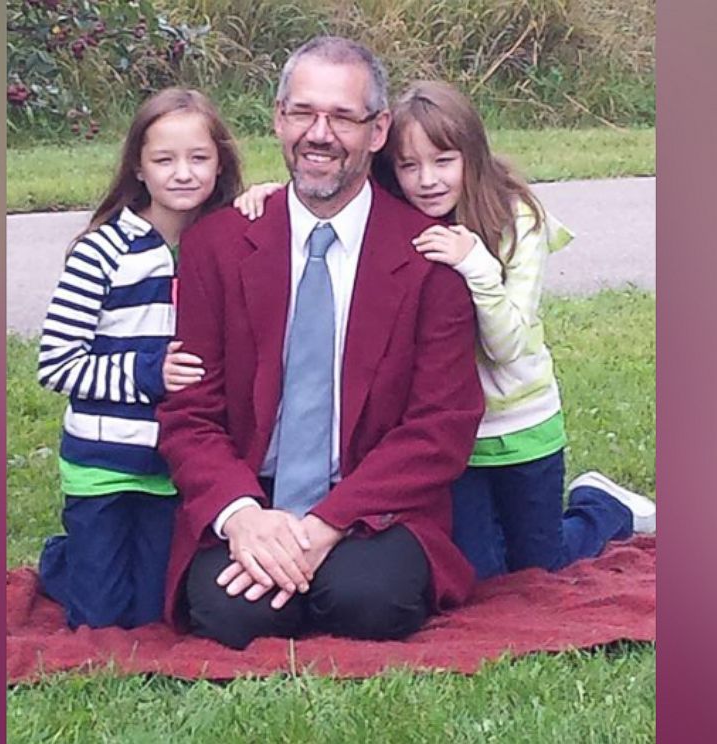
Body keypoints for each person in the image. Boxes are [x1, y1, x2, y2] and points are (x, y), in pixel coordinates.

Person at [236, 80, 655, 580]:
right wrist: (275, 197)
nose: (427, 180)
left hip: (520, 424)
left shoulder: (516, 221)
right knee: (481, 571)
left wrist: (476, 265)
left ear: (472, 157)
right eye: (409, 165)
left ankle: (603, 505)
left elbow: (508, 347)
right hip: (456, 440)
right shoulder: (397, 218)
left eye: (443, 161)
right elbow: (332, 197)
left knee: (541, 566)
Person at [157, 38, 483, 650]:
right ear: (279, 118)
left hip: (373, 507)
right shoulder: (216, 247)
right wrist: (243, 516)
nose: (320, 134)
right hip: (255, 494)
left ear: (378, 128)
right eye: (303, 113)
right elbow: (189, 413)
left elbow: (441, 425)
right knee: (235, 617)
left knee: (368, 601)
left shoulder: (429, 256)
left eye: (342, 117)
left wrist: (327, 524)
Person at [35, 87, 243, 629]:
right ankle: (66, 561)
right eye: (164, 160)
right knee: (101, 619)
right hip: (103, 465)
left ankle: (97, 566)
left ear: (220, 163)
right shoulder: (101, 251)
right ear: (138, 167)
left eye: (199, 158)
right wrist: (148, 372)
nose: (183, 173)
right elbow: (56, 362)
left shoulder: (223, 244)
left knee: (158, 612)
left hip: (173, 471)